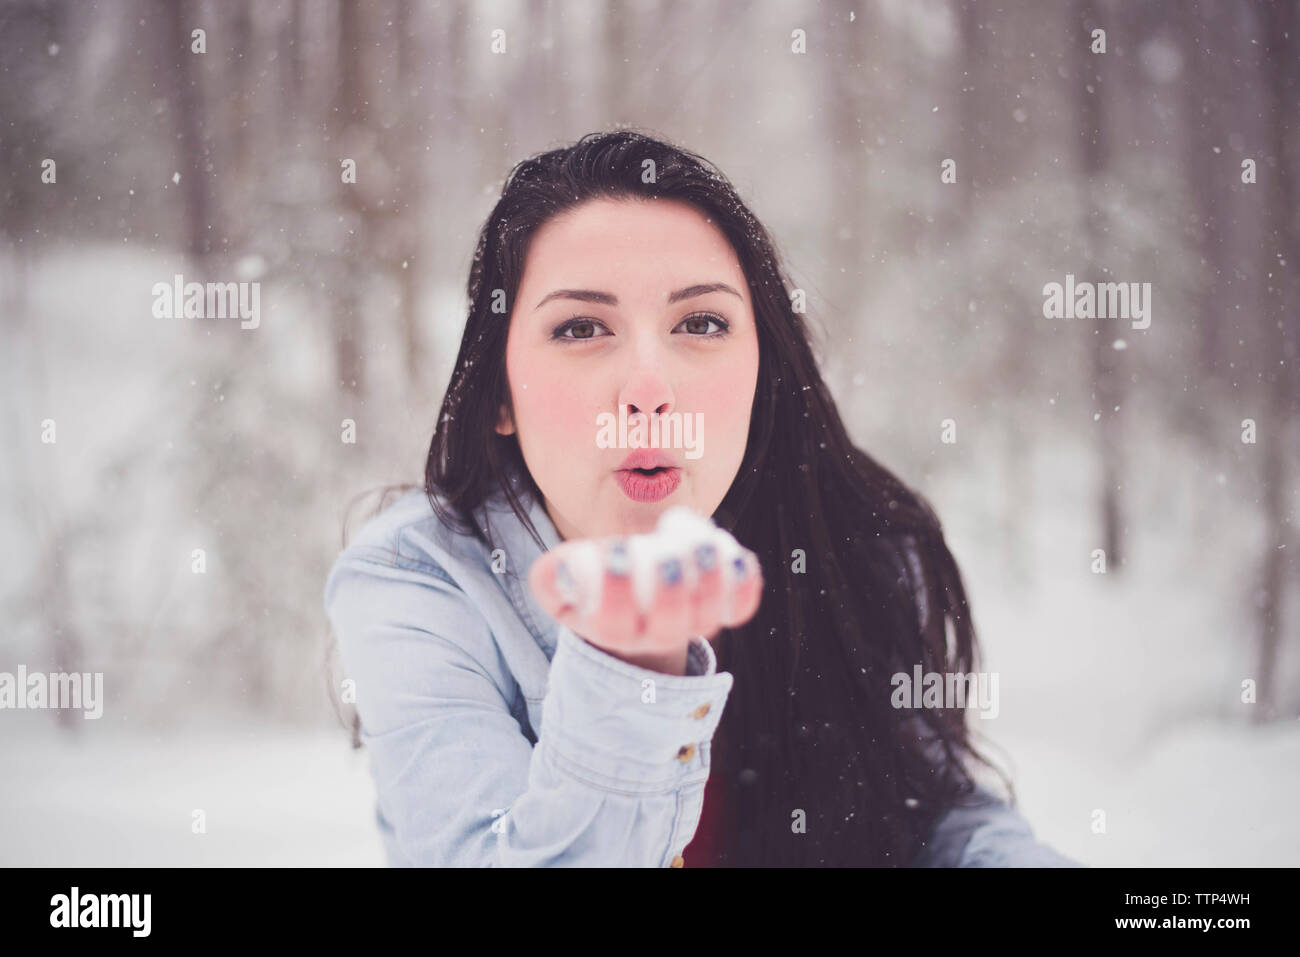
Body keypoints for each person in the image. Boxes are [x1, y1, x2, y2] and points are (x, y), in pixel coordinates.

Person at [323, 129, 1080, 868]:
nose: (649, 391)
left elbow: (935, 818)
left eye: (701, 322)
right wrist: (630, 670)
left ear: (763, 372)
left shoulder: (858, 541)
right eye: (582, 326)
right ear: (499, 396)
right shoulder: (416, 579)